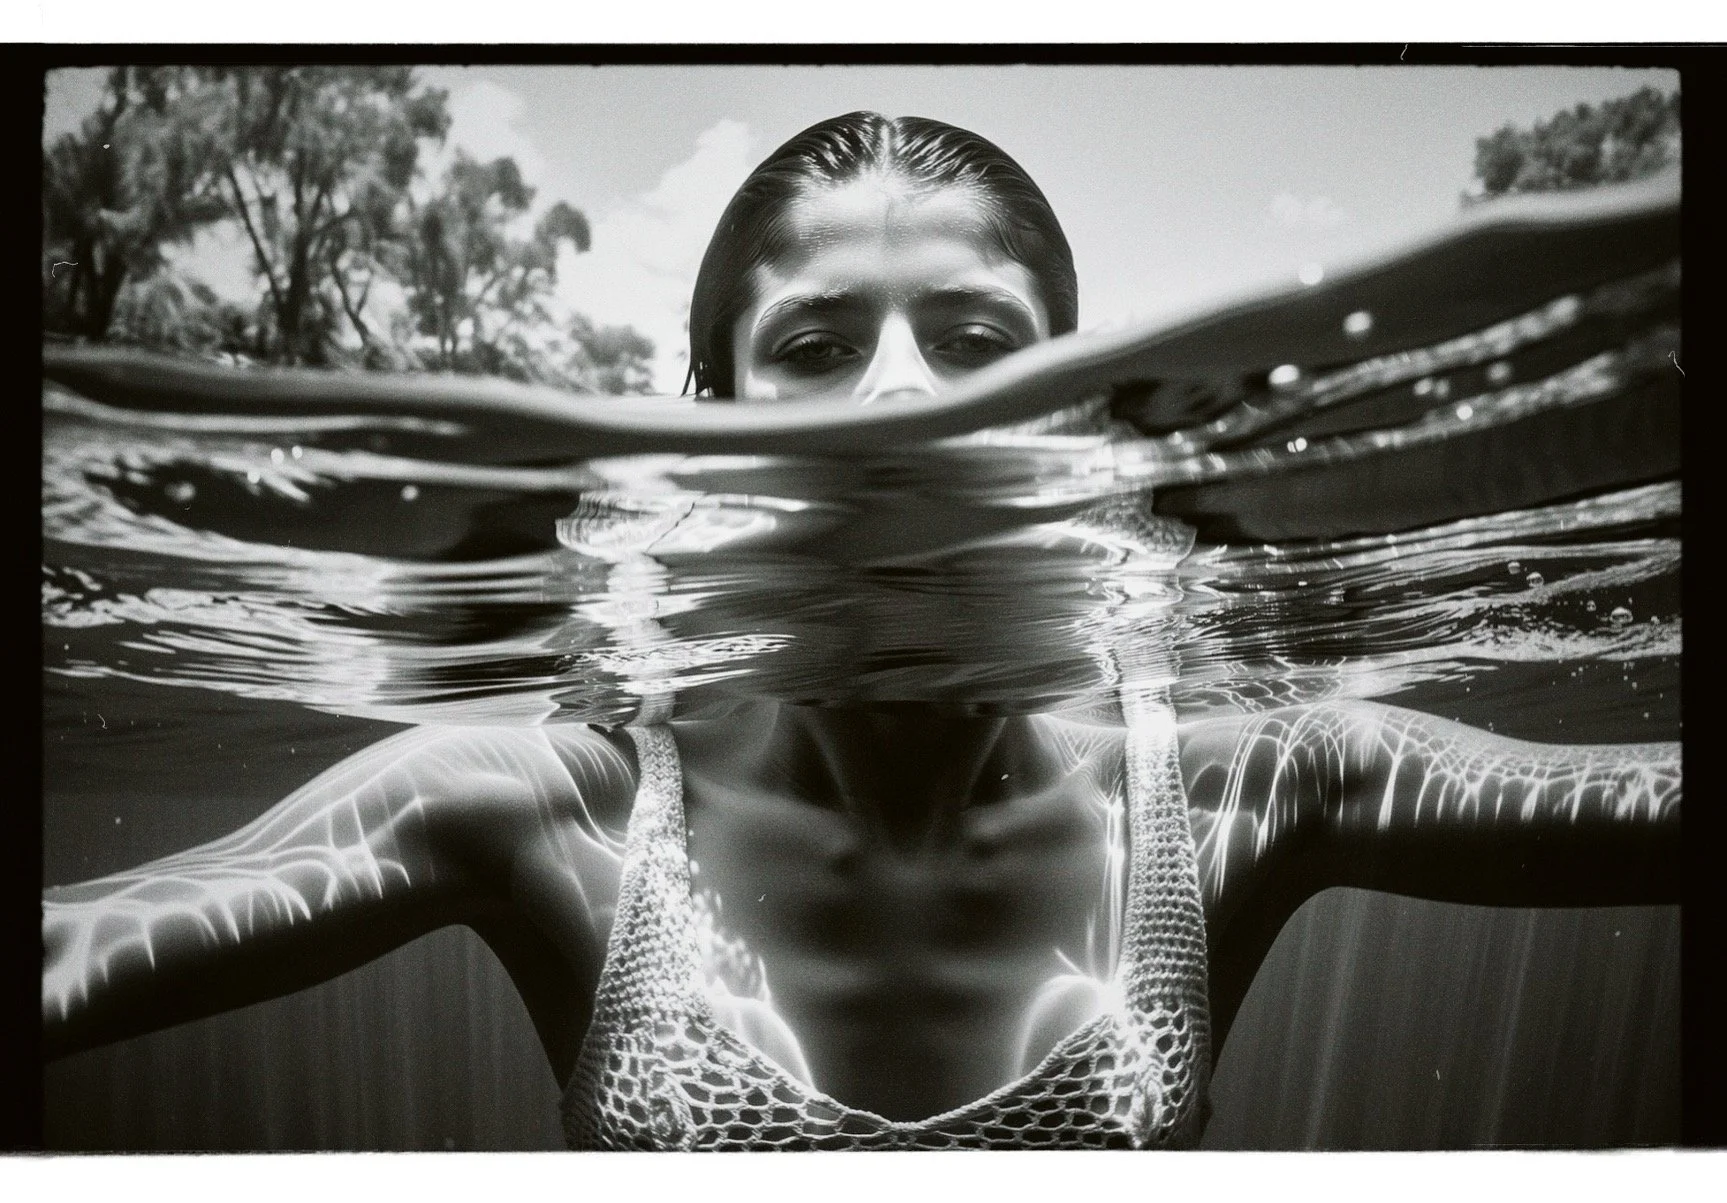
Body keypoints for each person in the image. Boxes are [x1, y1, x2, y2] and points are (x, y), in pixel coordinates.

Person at [42, 113, 1681, 1151]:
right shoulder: (552, 799)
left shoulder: (1258, 780)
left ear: (1080, 418)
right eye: (816, 343)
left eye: (978, 342)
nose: (901, 396)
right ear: (714, 422)